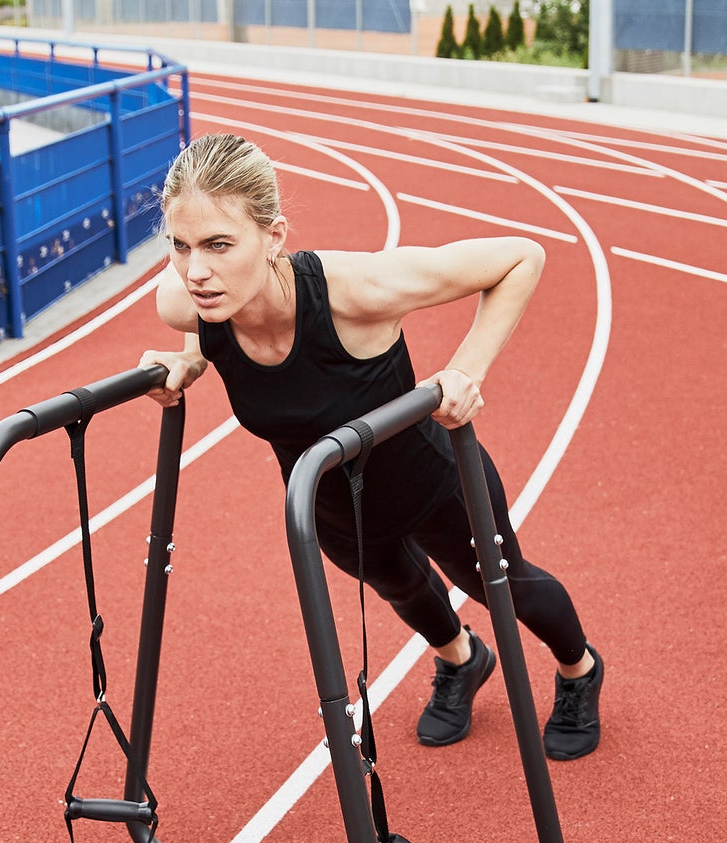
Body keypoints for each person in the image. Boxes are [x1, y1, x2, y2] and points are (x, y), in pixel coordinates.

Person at [138, 132, 602, 760]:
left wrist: (465, 369)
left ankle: (579, 671)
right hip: (331, 508)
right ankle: (461, 660)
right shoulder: (187, 303)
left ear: (273, 237)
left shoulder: (357, 289)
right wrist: (191, 358)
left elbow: (522, 257)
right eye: (181, 246)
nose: (197, 270)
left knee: (503, 586)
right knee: (402, 589)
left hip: (432, 484)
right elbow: (203, 326)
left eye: (220, 245)